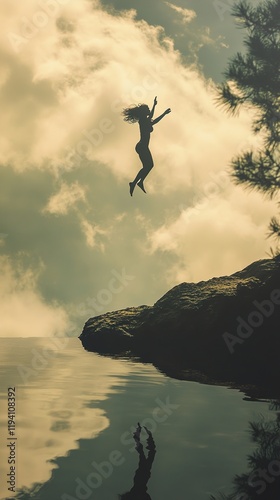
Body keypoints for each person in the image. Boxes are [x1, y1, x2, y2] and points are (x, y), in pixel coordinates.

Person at [122, 97, 171, 196]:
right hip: (142, 146)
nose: (149, 110)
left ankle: (138, 182)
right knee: (148, 166)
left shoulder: (144, 119)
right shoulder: (143, 121)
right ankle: (135, 183)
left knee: (148, 166)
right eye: (148, 109)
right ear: (144, 112)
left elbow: (151, 116)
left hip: (142, 146)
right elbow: (154, 120)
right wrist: (164, 114)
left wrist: (154, 105)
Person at [118, 423, 156, 500]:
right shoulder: (140, 493)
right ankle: (140, 437)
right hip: (142, 475)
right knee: (146, 454)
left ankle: (139, 437)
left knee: (146, 454)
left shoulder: (138, 492)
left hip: (141, 476)